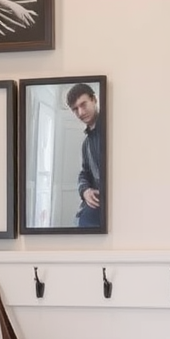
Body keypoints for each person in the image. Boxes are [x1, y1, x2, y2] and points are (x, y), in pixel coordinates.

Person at [67, 82, 102, 229]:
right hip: (96, 207)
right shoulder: (86, 143)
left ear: (94, 99)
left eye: (83, 104)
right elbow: (84, 173)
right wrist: (85, 191)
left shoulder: (115, 128)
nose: (80, 112)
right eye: (75, 109)